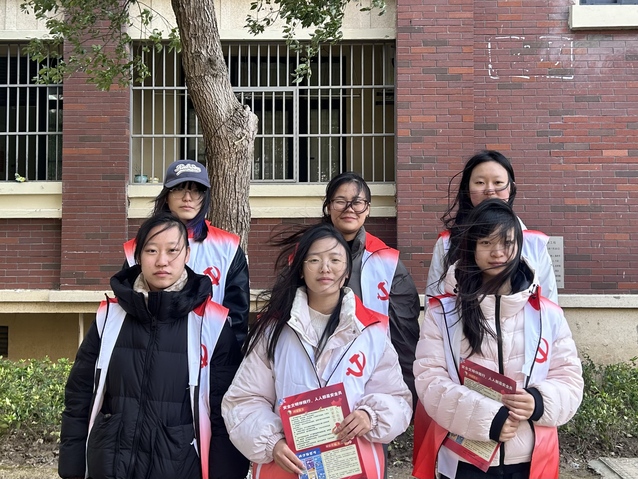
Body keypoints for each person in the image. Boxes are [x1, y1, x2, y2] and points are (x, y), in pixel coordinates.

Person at [58, 213, 249, 479]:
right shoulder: (109, 317)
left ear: (187, 255)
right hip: (110, 465)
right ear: (137, 256)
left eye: (172, 251)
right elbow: (79, 397)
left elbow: (225, 413)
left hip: (180, 467)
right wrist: (72, 469)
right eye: (151, 250)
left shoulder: (212, 325)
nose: (162, 261)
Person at [221, 223, 412, 479]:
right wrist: (272, 442)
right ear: (301, 269)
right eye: (314, 260)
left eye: (335, 259)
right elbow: (243, 400)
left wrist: (371, 415)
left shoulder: (371, 331)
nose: (325, 268)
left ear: (347, 271)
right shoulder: (273, 331)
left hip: (352, 464)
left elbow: (397, 398)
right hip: (287, 466)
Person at [413, 199, 583, 479]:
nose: (498, 252)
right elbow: (429, 380)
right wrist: (490, 419)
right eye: (486, 243)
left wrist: (539, 401)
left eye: (507, 242)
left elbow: (569, 378)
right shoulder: (443, 312)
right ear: (472, 247)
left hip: (530, 459)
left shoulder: (546, 314)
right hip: (465, 460)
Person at [123, 159, 249, 348]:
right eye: (179, 189)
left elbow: (237, 318)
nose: (187, 197)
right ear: (166, 196)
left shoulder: (228, 247)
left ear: (205, 197)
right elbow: (126, 306)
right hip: (148, 350)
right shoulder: (138, 247)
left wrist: (226, 358)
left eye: (196, 190)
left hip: (208, 352)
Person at [321, 171, 421, 406]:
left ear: (367, 209)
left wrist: (407, 396)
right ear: (328, 207)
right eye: (340, 201)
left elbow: (404, 335)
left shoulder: (387, 262)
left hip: (373, 377)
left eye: (357, 202)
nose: (349, 208)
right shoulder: (305, 256)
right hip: (317, 376)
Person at [426, 150, 558, 303]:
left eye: (498, 183)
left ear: (512, 188)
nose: (489, 190)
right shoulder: (447, 243)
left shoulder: (534, 242)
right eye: (480, 183)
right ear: (467, 189)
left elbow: (548, 303)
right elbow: (435, 304)